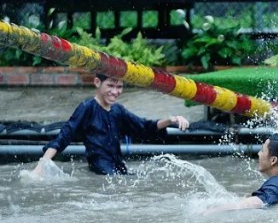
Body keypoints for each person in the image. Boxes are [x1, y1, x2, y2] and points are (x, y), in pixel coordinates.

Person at [39, 74, 190, 175]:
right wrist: (41, 166)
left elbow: (144, 127)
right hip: (100, 172)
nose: (115, 92)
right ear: (97, 82)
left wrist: (171, 120)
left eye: (119, 87)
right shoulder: (87, 107)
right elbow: (65, 135)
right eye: (110, 86)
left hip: (118, 169)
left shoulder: (118, 110)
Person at [202, 131, 278, 213]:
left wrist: (211, 211)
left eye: (262, 150)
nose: (259, 154)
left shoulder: (275, 184)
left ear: (273, 160)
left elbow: (256, 203)